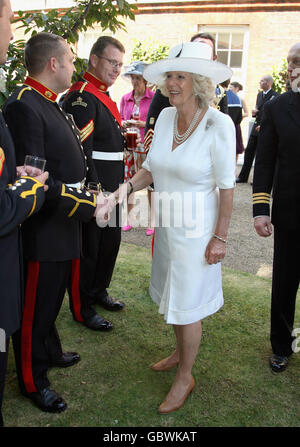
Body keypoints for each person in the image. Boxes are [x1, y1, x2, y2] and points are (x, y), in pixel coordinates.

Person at [101, 42, 235, 414]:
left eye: (182, 76)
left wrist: (220, 237)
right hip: (170, 221)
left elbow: (227, 188)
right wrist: (125, 188)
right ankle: (179, 352)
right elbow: (152, 167)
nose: (173, 84)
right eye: (170, 76)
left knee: (188, 304)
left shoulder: (217, 123)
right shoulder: (163, 118)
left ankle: (185, 376)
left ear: (199, 82)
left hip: (200, 228)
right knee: (174, 296)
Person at [3, 32, 98, 413]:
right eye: (71, 61)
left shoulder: (50, 103)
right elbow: (35, 177)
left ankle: (51, 349)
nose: (75, 68)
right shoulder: (25, 104)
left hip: (63, 219)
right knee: (35, 309)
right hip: (43, 226)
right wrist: (83, 203)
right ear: (53, 64)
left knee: (51, 302)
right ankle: (32, 378)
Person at [0, 0, 48, 426]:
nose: (12, 32)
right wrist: (31, 188)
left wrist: (11, 173)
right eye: (8, 19)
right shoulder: (24, 101)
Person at [63, 36, 126, 331]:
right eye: (112, 62)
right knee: (90, 248)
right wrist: (95, 189)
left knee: (110, 243)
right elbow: (82, 150)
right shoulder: (82, 97)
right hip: (97, 186)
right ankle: (83, 306)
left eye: (119, 65)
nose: (116, 69)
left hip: (113, 185)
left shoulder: (103, 95)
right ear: (94, 60)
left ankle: (99, 290)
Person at [252, 42, 300, 373]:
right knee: (284, 283)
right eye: (290, 61)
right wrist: (260, 209)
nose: (291, 67)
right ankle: (281, 346)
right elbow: (265, 162)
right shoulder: (278, 107)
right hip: (292, 213)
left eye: (297, 61)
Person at [120, 60, 154, 235]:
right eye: (132, 78)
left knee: (151, 184)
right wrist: (125, 124)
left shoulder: (153, 98)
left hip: (146, 146)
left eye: (138, 78)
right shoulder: (125, 98)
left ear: (145, 79)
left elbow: (154, 124)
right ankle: (129, 218)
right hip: (130, 145)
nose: (135, 82)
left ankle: (152, 222)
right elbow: (120, 120)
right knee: (128, 182)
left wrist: (141, 123)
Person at [236, 75, 279, 183]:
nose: (260, 82)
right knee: (249, 151)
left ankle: (257, 179)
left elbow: (273, 113)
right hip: (256, 127)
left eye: (262, 81)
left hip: (265, 128)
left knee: (261, 155)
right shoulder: (259, 95)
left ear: (269, 83)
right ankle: (243, 176)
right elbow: (258, 109)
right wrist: (254, 112)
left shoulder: (276, 96)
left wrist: (265, 125)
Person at [224, 80, 245, 163]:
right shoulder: (236, 99)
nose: (230, 89)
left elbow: (245, 113)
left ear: (237, 88)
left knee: (235, 148)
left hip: (234, 124)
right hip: (235, 123)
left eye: (231, 87)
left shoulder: (240, 99)